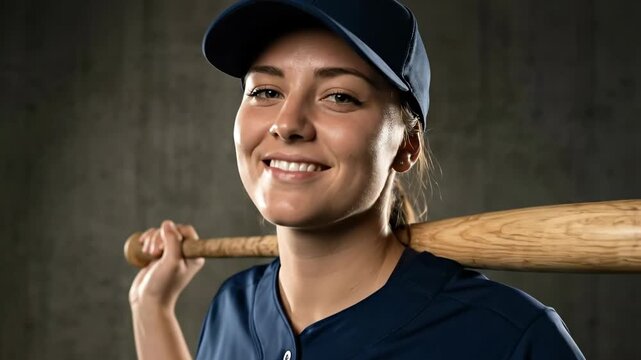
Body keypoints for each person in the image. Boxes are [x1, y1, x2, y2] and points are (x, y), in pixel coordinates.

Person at [129, 1, 586, 359]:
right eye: (266, 91)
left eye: (340, 96)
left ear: (407, 146)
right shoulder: (234, 308)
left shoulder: (508, 340)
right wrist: (151, 308)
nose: (288, 123)